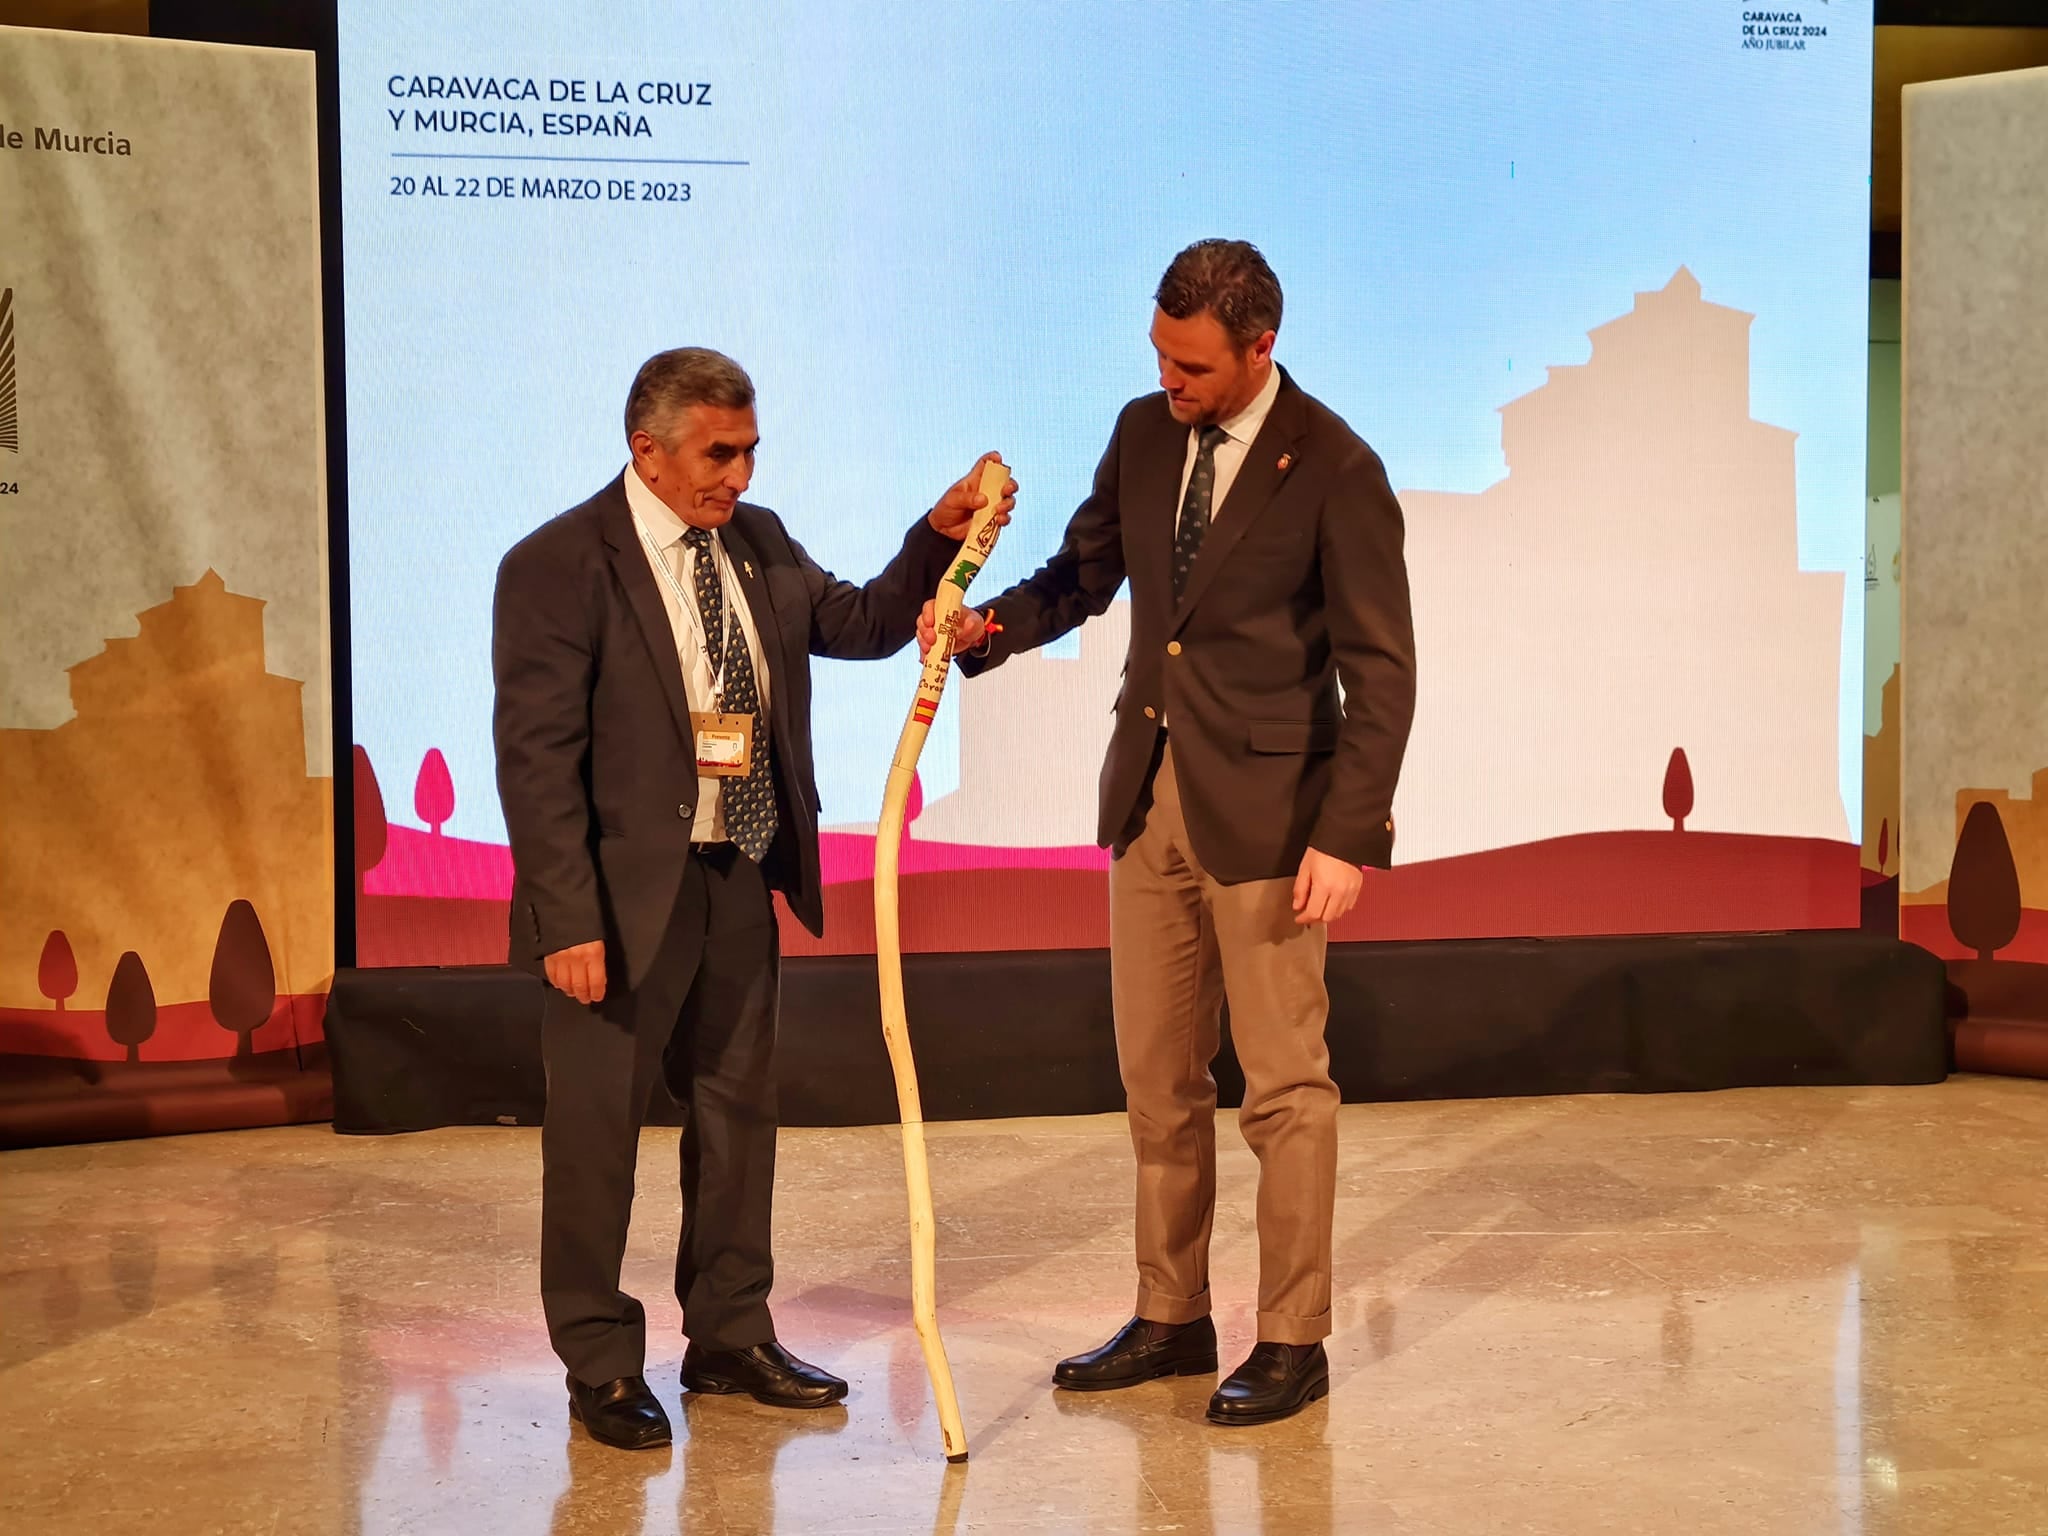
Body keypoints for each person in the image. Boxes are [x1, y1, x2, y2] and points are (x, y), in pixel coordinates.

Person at [927, 240, 1415, 1426]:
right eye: (1157, 352)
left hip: (1269, 821)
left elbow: (1380, 669)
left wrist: (1345, 836)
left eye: (1190, 362)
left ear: (1260, 348)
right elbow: (1082, 577)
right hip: (1146, 797)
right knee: (1157, 1082)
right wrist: (988, 628)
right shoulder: (1143, 433)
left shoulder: (1336, 467)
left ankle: (1291, 1338)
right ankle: (1170, 1315)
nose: (1168, 378)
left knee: (1284, 1093)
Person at [493, 346, 1013, 1450]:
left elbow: (868, 622)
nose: (735, 474)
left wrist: (938, 534)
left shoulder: (758, 542)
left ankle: (728, 1334)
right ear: (648, 449)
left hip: (737, 870)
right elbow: (535, 761)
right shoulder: (556, 564)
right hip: (616, 901)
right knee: (596, 1136)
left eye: (747, 451)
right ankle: (598, 1359)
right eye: (716, 454)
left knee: (737, 1116)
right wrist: (567, 918)